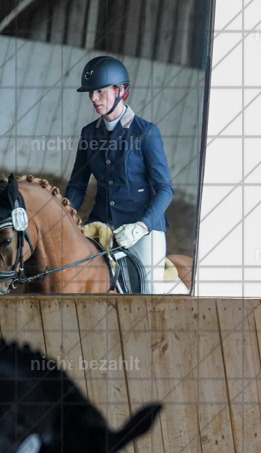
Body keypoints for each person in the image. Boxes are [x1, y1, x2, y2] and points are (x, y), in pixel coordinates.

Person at [66, 55, 174, 294]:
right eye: (90, 93)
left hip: (143, 229)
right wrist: (63, 215)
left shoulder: (146, 133)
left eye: (100, 91)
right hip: (101, 226)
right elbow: (77, 186)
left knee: (151, 290)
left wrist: (141, 226)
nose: (93, 98)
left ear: (121, 90)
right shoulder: (88, 134)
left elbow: (165, 189)